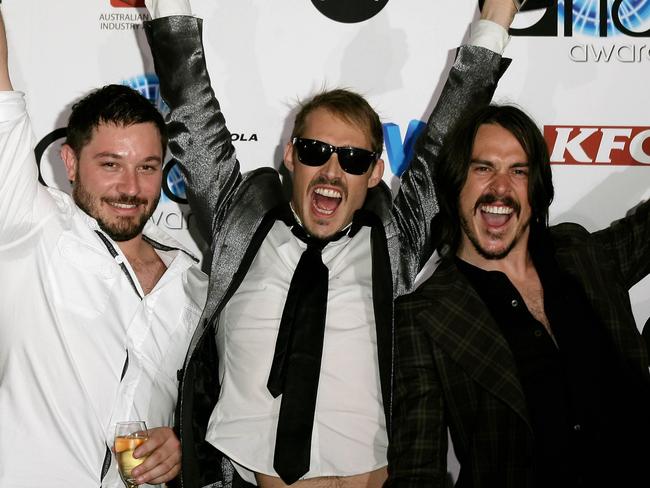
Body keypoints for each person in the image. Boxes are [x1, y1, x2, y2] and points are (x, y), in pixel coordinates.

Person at [143, 0, 518, 486]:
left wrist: (499, 14)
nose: (332, 171)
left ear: (375, 173)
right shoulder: (239, 224)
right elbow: (191, 107)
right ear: (290, 157)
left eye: (354, 159)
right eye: (317, 151)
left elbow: (451, 128)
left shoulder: (393, 244)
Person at [388, 104, 650, 487]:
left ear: (536, 189)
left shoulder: (578, 253)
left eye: (518, 171)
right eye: (483, 168)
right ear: (454, 183)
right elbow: (417, 471)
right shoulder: (425, 315)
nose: (500, 187)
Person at [0, 8, 207, 488]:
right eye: (110, 164)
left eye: (148, 167)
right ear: (69, 162)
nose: (130, 187)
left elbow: (212, 410)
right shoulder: (35, 225)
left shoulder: (194, 280)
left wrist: (179, 442)